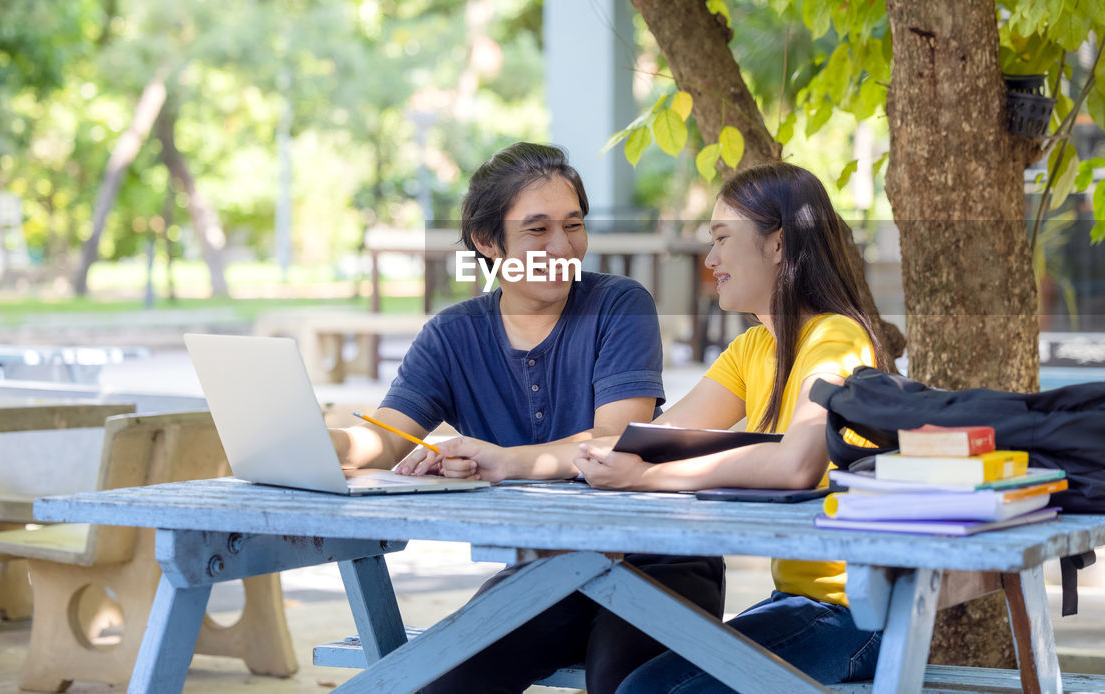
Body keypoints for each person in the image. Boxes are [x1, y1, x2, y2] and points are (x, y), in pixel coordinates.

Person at [329, 141, 724, 694]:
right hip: (548, 572)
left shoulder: (618, 305)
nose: (563, 247)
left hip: (659, 561)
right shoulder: (452, 334)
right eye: (538, 230)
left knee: (620, 681)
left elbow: (615, 440)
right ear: (489, 243)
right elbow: (384, 439)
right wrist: (317, 445)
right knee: (438, 679)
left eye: (574, 225)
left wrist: (500, 460)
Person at [574, 161, 892, 693]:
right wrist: (506, 458)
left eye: (723, 239)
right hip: (797, 604)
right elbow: (651, 438)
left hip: (853, 616)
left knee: (646, 691)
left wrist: (642, 478)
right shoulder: (754, 348)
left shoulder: (837, 339)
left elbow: (796, 465)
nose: (711, 259)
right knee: (631, 680)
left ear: (779, 245)